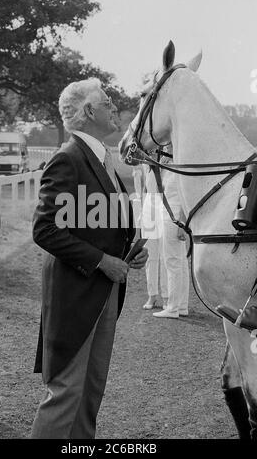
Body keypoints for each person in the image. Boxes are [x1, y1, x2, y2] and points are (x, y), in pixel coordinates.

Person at [31, 78, 148, 439]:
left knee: (90, 391)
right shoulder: (67, 158)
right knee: (66, 392)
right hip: (76, 292)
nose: (115, 106)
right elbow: (45, 229)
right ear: (89, 111)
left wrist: (127, 250)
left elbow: (91, 221)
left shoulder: (102, 157)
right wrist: (101, 260)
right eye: (108, 101)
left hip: (105, 290)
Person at [153, 148, 190, 319]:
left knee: (173, 261)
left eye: (168, 147)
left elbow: (185, 196)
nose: (165, 150)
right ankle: (181, 306)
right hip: (170, 215)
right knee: (179, 261)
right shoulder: (171, 165)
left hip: (173, 217)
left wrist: (182, 223)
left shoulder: (179, 167)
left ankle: (173, 307)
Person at [132, 161, 168, 310]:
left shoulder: (167, 158)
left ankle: (167, 297)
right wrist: (141, 210)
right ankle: (152, 295)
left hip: (165, 205)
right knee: (150, 254)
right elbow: (143, 187)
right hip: (149, 204)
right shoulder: (145, 161)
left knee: (165, 254)